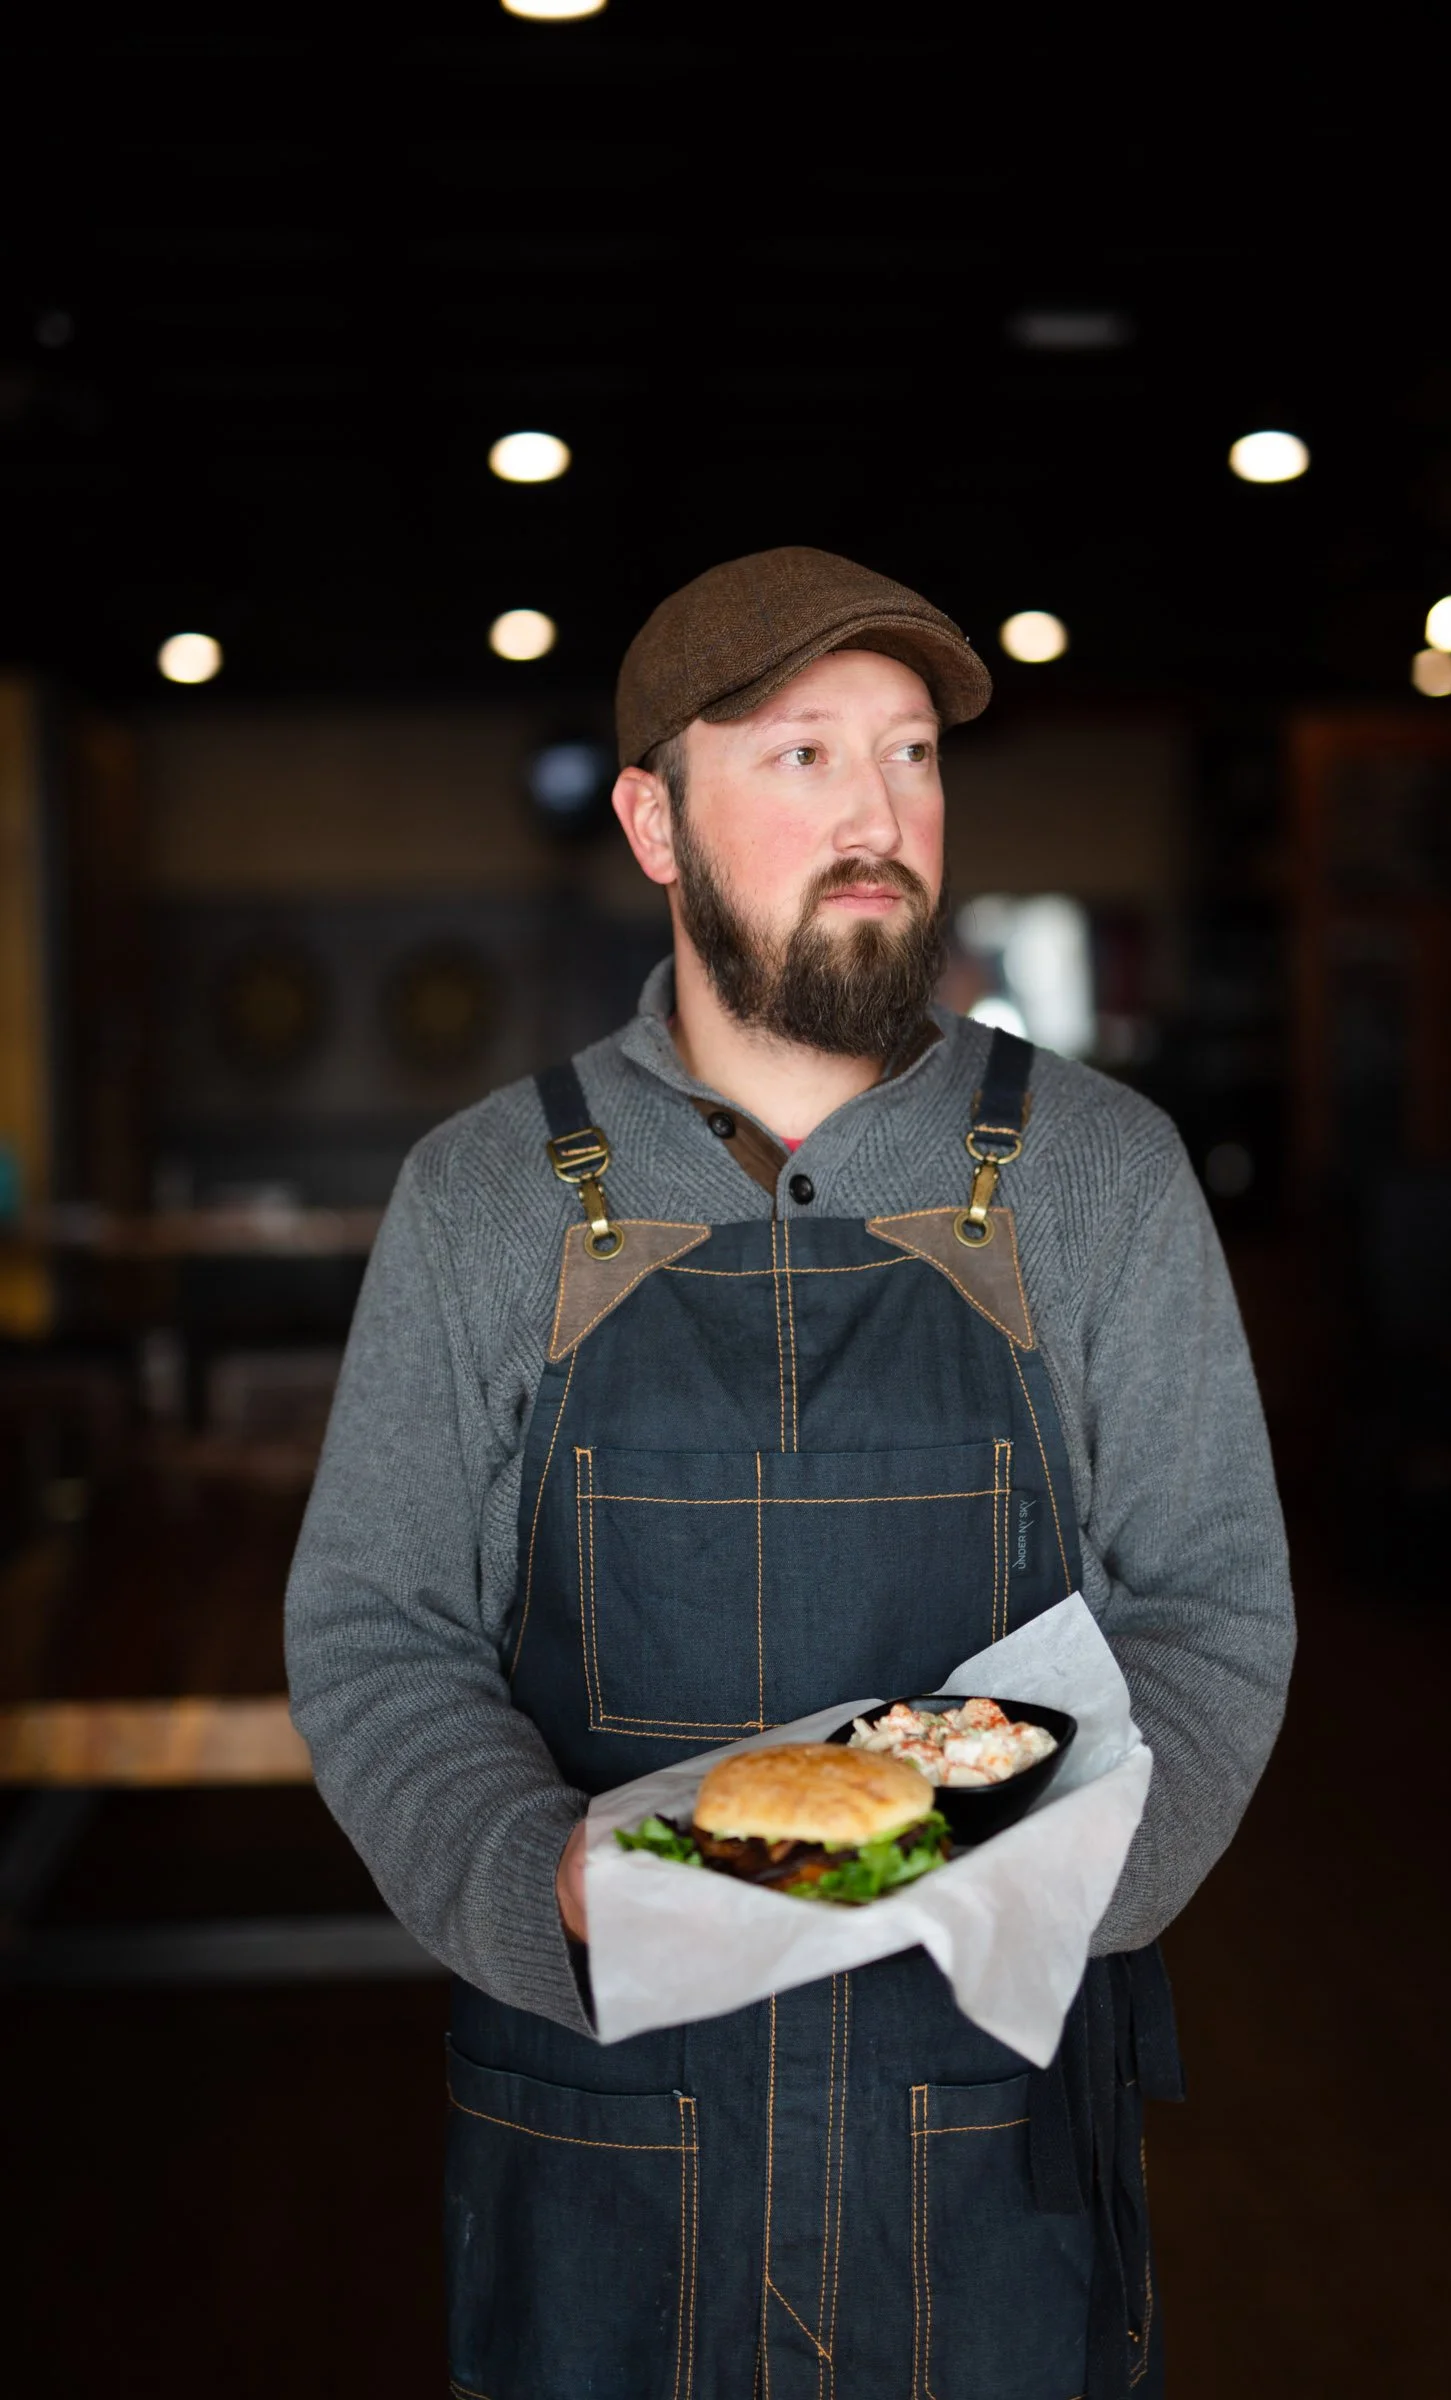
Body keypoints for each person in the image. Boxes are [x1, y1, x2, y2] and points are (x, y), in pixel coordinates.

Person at [285, 545, 1295, 2400]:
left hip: (991, 2138)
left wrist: (1062, 1877)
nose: (878, 818)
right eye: (803, 757)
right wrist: (546, 1887)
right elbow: (374, 1634)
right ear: (655, 824)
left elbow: (1214, 1615)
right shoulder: (485, 1201)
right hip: (599, 2134)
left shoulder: (1099, 1176)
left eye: (910, 756)